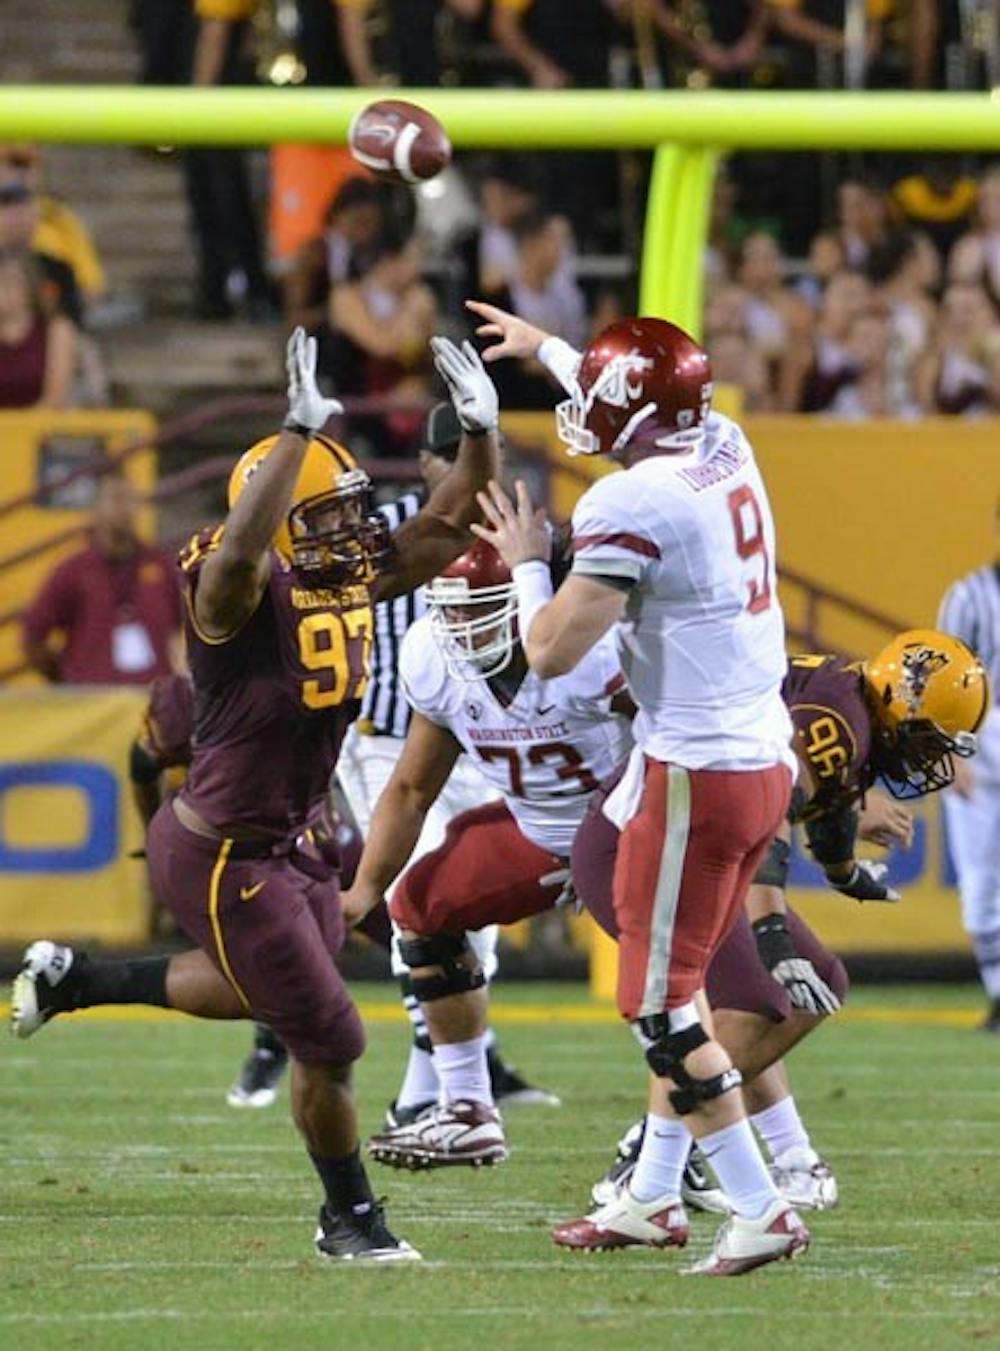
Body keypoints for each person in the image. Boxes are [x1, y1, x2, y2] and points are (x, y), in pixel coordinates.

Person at [11, 326, 501, 1262]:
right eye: (321, 519)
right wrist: (291, 431)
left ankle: (82, 980)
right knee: (331, 1035)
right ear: (277, 520)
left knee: (284, 989)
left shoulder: (342, 572)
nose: (347, 534)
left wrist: (481, 432)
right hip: (224, 847)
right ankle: (348, 1216)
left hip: (296, 834)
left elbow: (445, 523)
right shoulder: (233, 588)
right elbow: (241, 550)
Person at [467, 299, 808, 1275]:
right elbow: (640, 401)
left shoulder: (632, 504)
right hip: (749, 751)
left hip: (698, 771)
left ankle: (757, 1204)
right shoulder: (725, 439)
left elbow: (546, 649)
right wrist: (551, 353)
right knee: (652, 940)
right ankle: (653, 1193)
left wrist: (530, 565)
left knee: (660, 1005)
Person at [581, 634, 988, 1211]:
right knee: (757, 999)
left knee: (813, 985)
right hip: (646, 847)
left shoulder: (849, 712)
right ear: (902, 704)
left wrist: (847, 875)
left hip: (685, 843)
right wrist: (773, 936)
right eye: (928, 740)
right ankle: (650, 1160)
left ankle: (736, 1156)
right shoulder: (835, 720)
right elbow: (769, 818)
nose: (929, 760)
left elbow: (826, 817)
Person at [341, 536, 633, 1168]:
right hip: (535, 829)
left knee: (670, 989)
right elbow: (413, 787)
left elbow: (674, 735)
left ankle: (729, 1145)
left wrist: (620, 838)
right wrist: (365, 889)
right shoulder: (432, 655)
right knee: (418, 906)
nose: (461, 627)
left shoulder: (590, 651)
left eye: (480, 609)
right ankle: (468, 1107)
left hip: (627, 828)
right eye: (451, 611)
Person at [337, 400, 558, 1125]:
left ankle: (454, 1079)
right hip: (400, 736)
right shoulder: (410, 542)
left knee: (469, 924)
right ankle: (440, 1090)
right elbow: (408, 784)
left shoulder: (534, 554)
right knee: (422, 905)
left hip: (515, 754)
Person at [22, 472, 182, 685]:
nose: (124, 508)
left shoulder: (160, 565)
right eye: (116, 499)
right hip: (95, 704)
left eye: (131, 499)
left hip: (152, 697)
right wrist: (65, 678)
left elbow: (186, 627)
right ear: (96, 509)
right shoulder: (74, 570)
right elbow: (33, 635)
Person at [938, 508, 1000, 1030]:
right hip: (982, 746)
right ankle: (999, 992)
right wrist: (949, 753)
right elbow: (944, 680)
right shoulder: (969, 595)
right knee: (981, 880)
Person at [0, 249, 77, 409]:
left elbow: (55, 397)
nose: (3, 291)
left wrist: (21, 429)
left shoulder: (56, 329)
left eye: (10, 282)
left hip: (41, 427)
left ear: (30, 286)